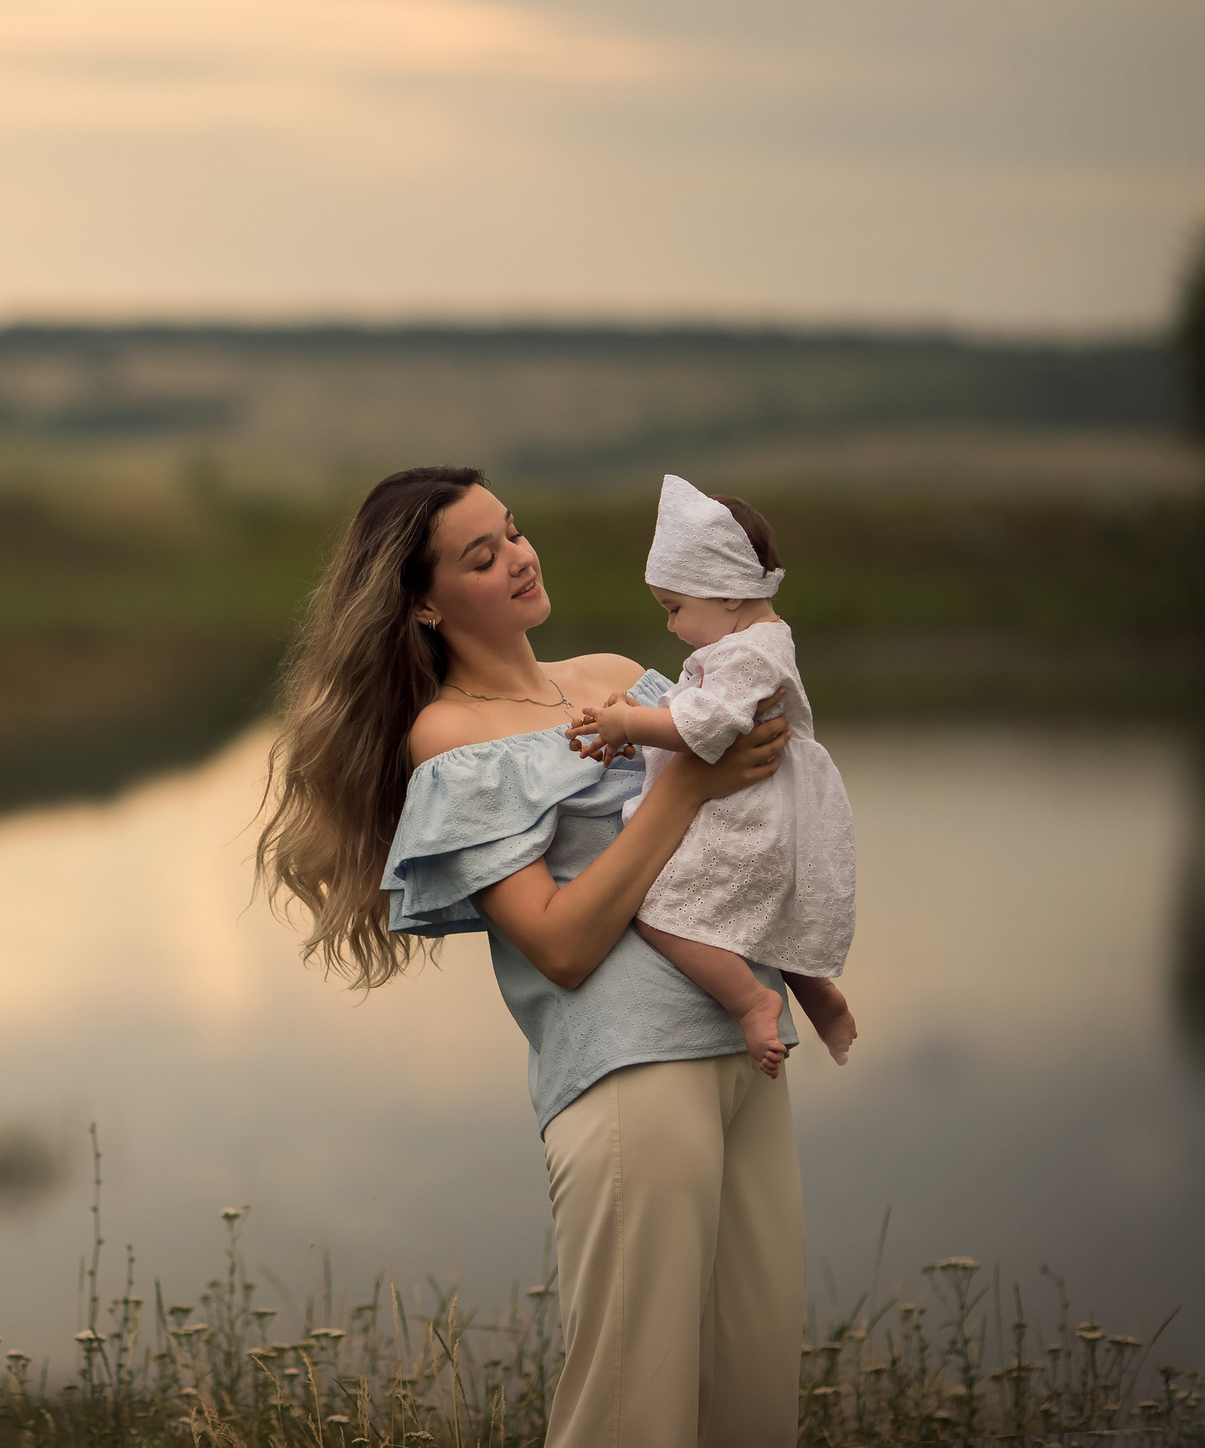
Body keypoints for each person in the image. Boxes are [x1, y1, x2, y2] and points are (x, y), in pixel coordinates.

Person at [257, 465, 801, 1447]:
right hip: (631, 1076)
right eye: (480, 554)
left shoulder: (614, 679)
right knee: (628, 1418)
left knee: (753, 1406)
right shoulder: (449, 737)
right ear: (421, 603)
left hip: (745, 1050)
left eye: (512, 532)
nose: (517, 557)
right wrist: (681, 790)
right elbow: (556, 943)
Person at [566, 475, 858, 1077]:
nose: (671, 627)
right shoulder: (753, 643)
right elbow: (698, 703)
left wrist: (631, 724)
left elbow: (706, 725)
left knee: (658, 910)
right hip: (758, 807)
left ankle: (752, 1001)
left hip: (745, 816)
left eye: (676, 609)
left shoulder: (747, 652)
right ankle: (815, 989)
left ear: (726, 592)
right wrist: (636, 714)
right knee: (764, 913)